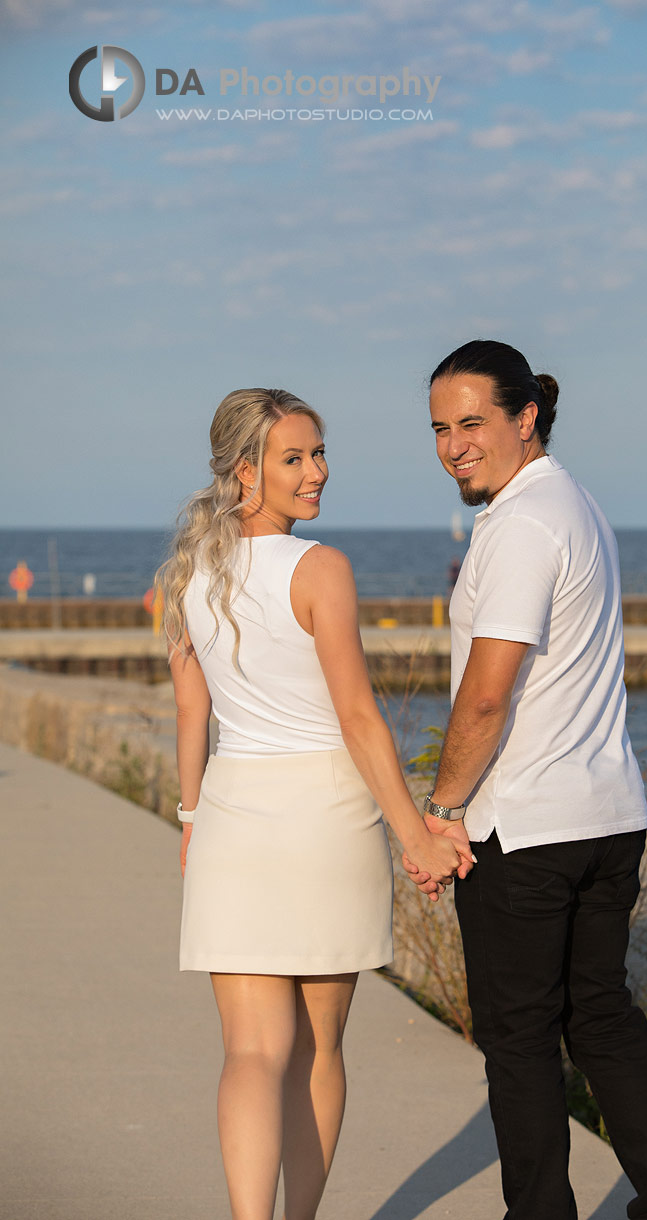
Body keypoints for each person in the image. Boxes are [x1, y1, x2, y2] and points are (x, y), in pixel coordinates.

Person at [156, 387, 472, 1220]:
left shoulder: (188, 575)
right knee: (319, 1048)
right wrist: (415, 834)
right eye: (294, 457)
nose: (317, 472)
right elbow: (359, 716)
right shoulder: (320, 569)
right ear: (243, 472)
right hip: (326, 819)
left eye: (319, 452)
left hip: (233, 818)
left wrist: (191, 821)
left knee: (252, 1053)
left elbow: (194, 717)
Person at [405, 341, 647, 1220]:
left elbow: (486, 696)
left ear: (523, 417)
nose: (454, 445)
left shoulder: (522, 524)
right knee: (601, 1020)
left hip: (527, 832)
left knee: (519, 1040)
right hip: (605, 818)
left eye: (472, 423)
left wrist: (441, 809)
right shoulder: (574, 505)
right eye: (438, 428)